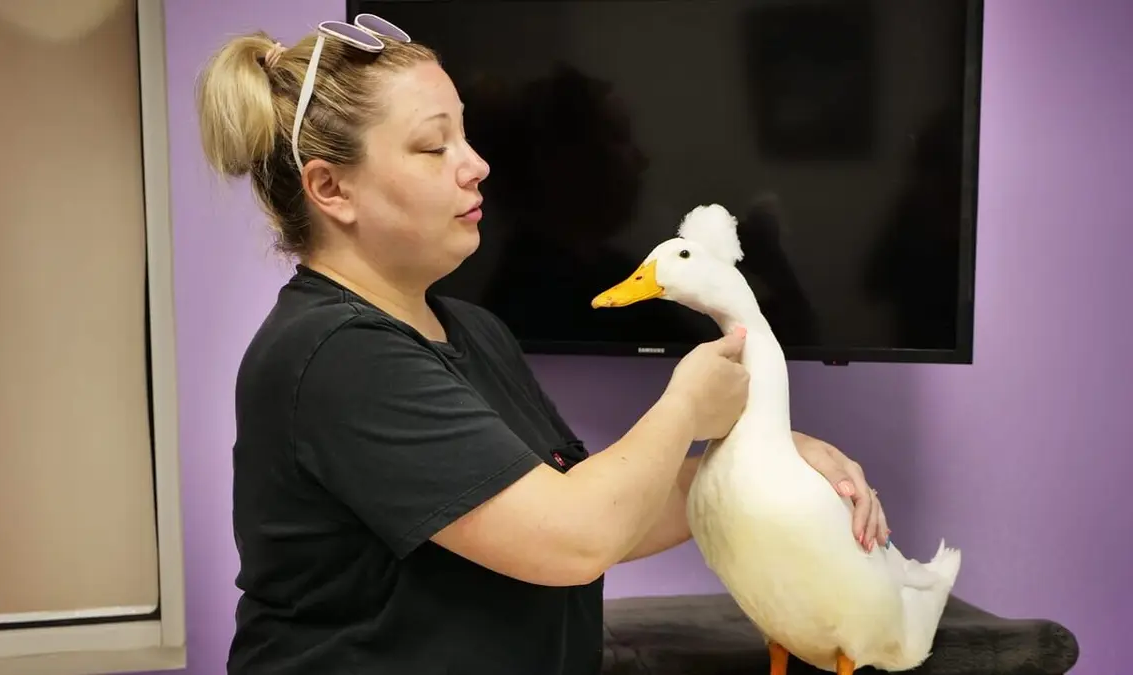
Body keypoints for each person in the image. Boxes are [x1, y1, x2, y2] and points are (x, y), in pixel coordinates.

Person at [195, 15, 889, 675]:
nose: (476, 165)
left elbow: (612, 512)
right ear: (330, 187)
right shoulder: (336, 355)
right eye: (435, 147)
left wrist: (772, 455)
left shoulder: (473, 329)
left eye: (465, 137)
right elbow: (576, 537)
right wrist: (685, 407)